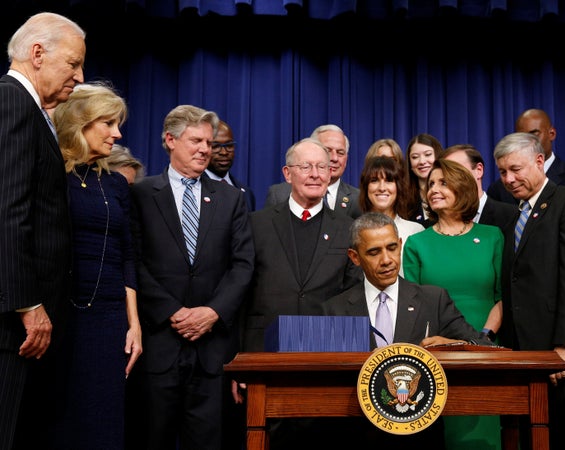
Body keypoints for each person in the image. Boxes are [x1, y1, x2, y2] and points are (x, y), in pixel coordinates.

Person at [130, 104, 255, 450]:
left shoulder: (232, 199)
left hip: (212, 350)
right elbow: (133, 262)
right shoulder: (141, 194)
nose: (205, 149)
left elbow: (243, 264)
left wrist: (212, 312)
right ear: (170, 140)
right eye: (196, 141)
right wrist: (172, 311)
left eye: (209, 143)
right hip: (159, 345)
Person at [321, 211, 495, 450]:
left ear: (400, 244)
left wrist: (450, 346)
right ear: (355, 257)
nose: (387, 260)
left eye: (392, 248)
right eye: (374, 252)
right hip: (357, 436)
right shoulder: (334, 309)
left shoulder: (433, 300)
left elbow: (485, 348)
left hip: (420, 438)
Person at [238, 137, 362, 450]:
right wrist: (243, 364)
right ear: (287, 173)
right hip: (267, 361)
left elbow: (354, 296)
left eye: (322, 166)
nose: (316, 173)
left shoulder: (348, 228)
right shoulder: (257, 224)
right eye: (305, 166)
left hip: (326, 363)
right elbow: (243, 295)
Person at [0, 12, 85, 450]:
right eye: (73, 64)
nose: (79, 75)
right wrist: (28, 304)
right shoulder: (13, 100)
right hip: (16, 325)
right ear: (38, 53)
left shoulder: (34, 109)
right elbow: (9, 210)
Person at [493, 132, 565, 450]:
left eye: (516, 169)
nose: (509, 179)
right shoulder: (516, 215)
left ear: (540, 161)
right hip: (530, 357)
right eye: (502, 172)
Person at [49, 82, 142, 449]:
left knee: (104, 424)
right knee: (60, 421)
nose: (117, 133)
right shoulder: (52, 173)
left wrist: (133, 324)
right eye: (108, 123)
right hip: (61, 315)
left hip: (109, 320)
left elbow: (127, 254)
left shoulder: (115, 184)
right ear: (80, 122)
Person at [403, 158, 504, 450]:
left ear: (463, 187)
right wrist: (448, 344)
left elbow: (502, 297)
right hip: (438, 354)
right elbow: (415, 305)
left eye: (443, 182)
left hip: (487, 350)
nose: (433, 189)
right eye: (431, 183)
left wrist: (482, 339)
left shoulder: (492, 236)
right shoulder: (417, 244)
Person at [487, 108, 565, 210]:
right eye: (522, 137)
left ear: (552, 133)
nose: (529, 142)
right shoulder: (498, 190)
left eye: (534, 134)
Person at [264, 124, 361, 218]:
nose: (334, 158)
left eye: (340, 153)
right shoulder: (278, 194)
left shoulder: (359, 198)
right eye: (327, 151)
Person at [358, 156, 423, 276]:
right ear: (366, 187)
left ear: (398, 187)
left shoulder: (416, 231)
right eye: (374, 180)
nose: (382, 188)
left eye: (389, 180)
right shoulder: (355, 232)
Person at [441, 143, 516, 230]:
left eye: (456, 170)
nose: (451, 178)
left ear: (478, 170)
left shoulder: (511, 216)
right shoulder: (435, 223)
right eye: (446, 174)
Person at [206, 119, 256, 211]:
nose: (224, 152)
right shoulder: (195, 188)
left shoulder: (246, 193)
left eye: (229, 146)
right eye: (216, 146)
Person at [405, 133, 444, 225]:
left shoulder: (451, 192)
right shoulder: (404, 199)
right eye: (415, 157)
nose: (422, 161)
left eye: (427, 154)